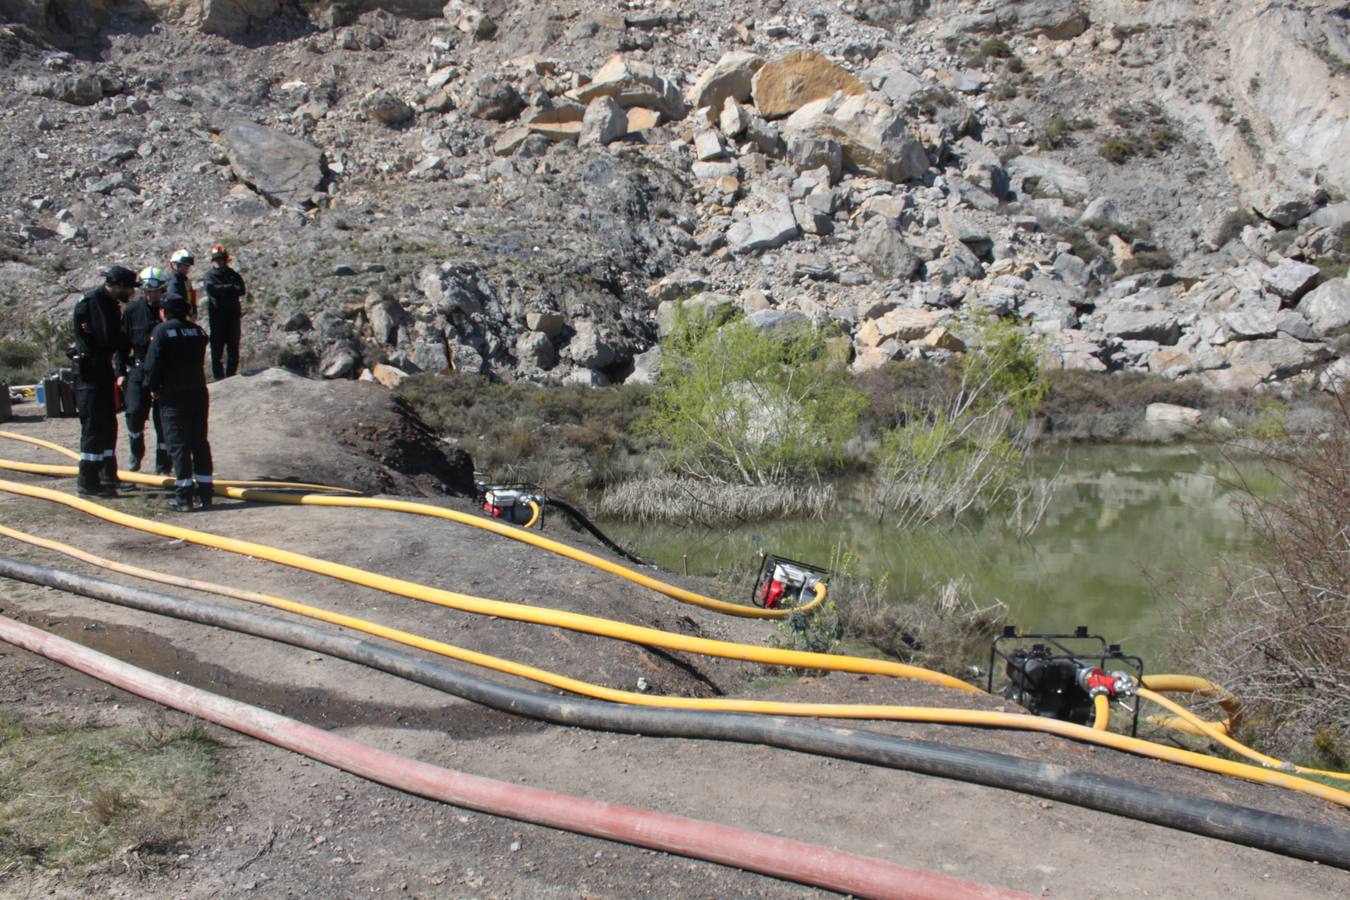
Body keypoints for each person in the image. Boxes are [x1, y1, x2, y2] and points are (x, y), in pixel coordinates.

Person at [142, 292, 213, 511]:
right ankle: (205, 492)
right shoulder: (197, 331)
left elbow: (152, 365)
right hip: (198, 393)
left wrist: (150, 387)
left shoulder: (162, 331)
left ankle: (184, 497)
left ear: (164, 311)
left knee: (178, 444)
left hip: (172, 396)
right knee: (199, 442)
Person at [72, 265, 134, 497]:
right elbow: (108, 337)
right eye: (128, 288)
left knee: (108, 425)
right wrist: (129, 341)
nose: (131, 293)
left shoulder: (107, 303)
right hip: (91, 373)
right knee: (94, 427)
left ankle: (108, 476)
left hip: (102, 370)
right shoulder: (94, 302)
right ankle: (88, 482)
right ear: (116, 285)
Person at [122, 267, 172, 474]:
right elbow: (123, 343)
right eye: (149, 292)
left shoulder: (170, 309)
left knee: (163, 421)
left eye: (157, 291)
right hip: (139, 367)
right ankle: (136, 450)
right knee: (133, 412)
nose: (153, 296)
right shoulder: (132, 311)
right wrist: (119, 371)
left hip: (164, 371)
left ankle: (163, 467)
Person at [203, 244, 247, 379]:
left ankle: (231, 375)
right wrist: (229, 288)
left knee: (233, 348)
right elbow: (211, 290)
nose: (219, 262)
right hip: (217, 318)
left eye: (221, 259)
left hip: (233, 317)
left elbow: (241, 290)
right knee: (217, 351)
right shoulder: (209, 276)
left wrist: (223, 289)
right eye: (216, 260)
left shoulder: (233, 274)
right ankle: (219, 378)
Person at [166, 248, 198, 318]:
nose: (187, 268)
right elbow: (174, 302)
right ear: (175, 265)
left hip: (187, 317)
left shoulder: (185, 280)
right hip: (178, 318)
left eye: (188, 266)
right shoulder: (173, 281)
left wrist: (194, 311)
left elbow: (191, 296)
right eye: (184, 265)